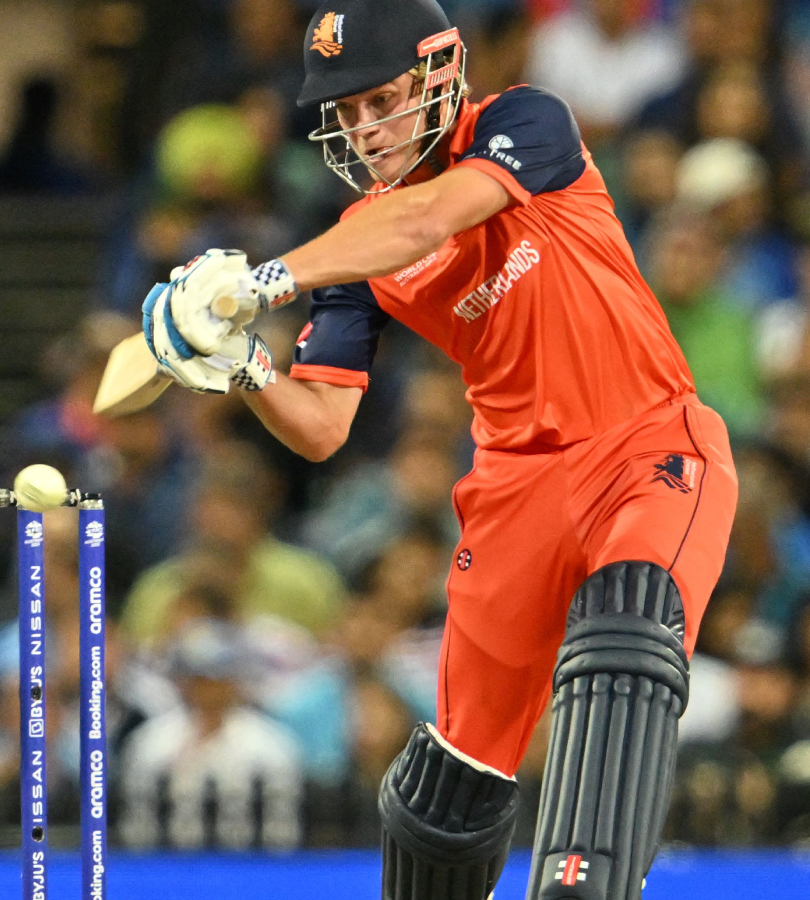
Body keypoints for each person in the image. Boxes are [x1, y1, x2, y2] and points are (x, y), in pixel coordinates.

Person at [141, 1, 738, 898]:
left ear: (437, 73)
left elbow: (427, 220)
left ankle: (582, 885)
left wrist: (262, 276)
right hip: (511, 496)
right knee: (450, 783)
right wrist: (241, 361)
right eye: (344, 113)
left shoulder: (521, 122)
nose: (363, 128)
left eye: (379, 100)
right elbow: (321, 428)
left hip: (646, 443)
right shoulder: (357, 250)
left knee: (624, 640)